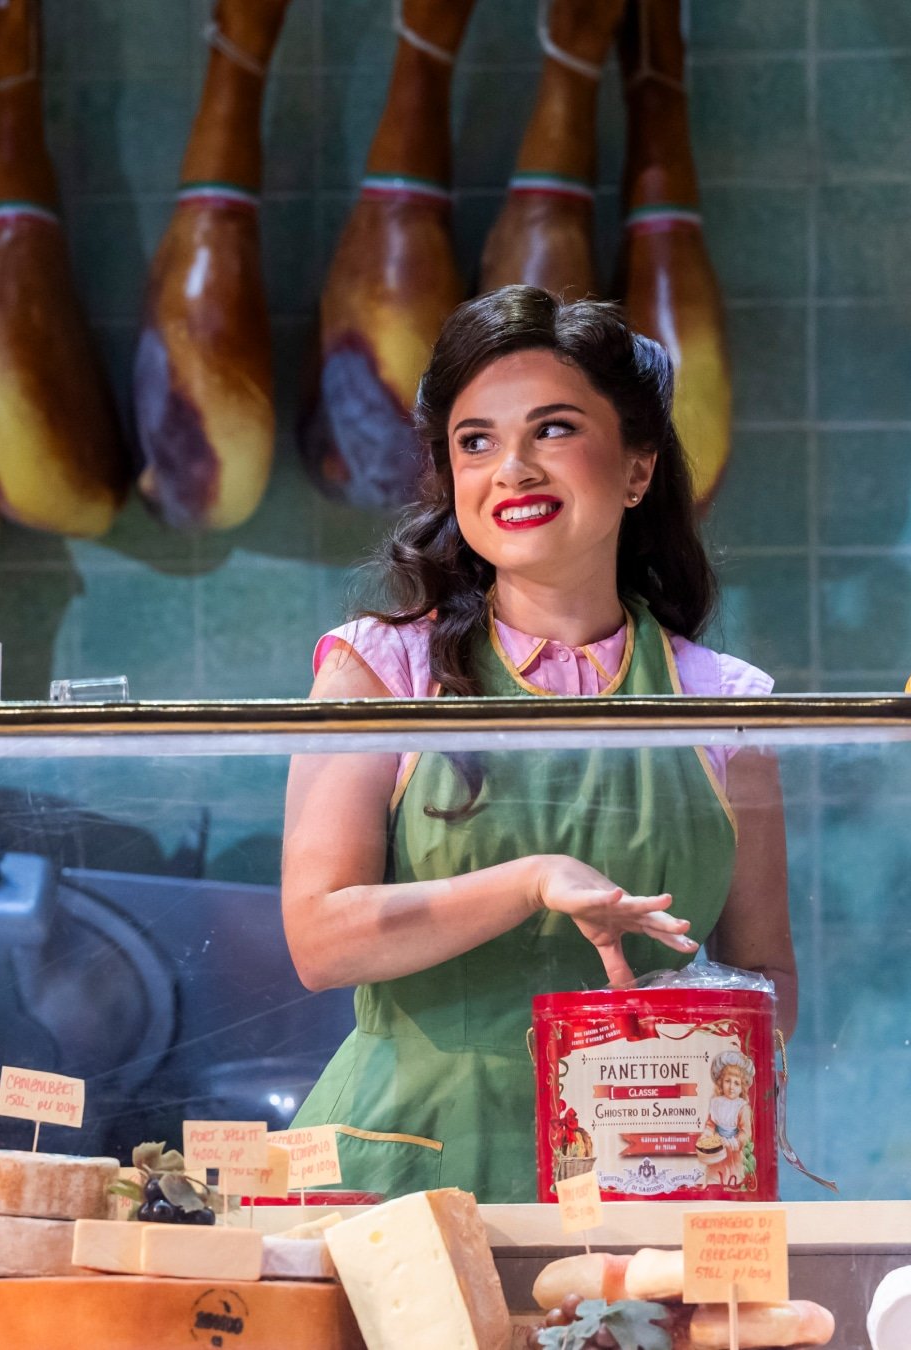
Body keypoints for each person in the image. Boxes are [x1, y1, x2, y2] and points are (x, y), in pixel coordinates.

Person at [282, 285, 794, 1203]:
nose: (511, 469)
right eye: (475, 442)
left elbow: (766, 975)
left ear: (637, 469)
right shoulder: (379, 670)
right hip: (400, 1180)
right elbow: (320, 940)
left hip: (644, 1177)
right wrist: (529, 881)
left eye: (553, 430)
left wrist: (687, 1075)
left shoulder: (727, 702)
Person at [705, 1051, 755, 1188]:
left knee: (732, 1179)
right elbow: (710, 1124)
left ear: (742, 1087)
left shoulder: (742, 1107)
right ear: (721, 1082)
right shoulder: (716, 1102)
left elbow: (746, 1133)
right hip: (716, 1151)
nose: (731, 1087)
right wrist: (708, 1135)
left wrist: (732, 1143)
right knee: (714, 1178)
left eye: (736, 1083)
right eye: (728, 1081)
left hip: (733, 1152)